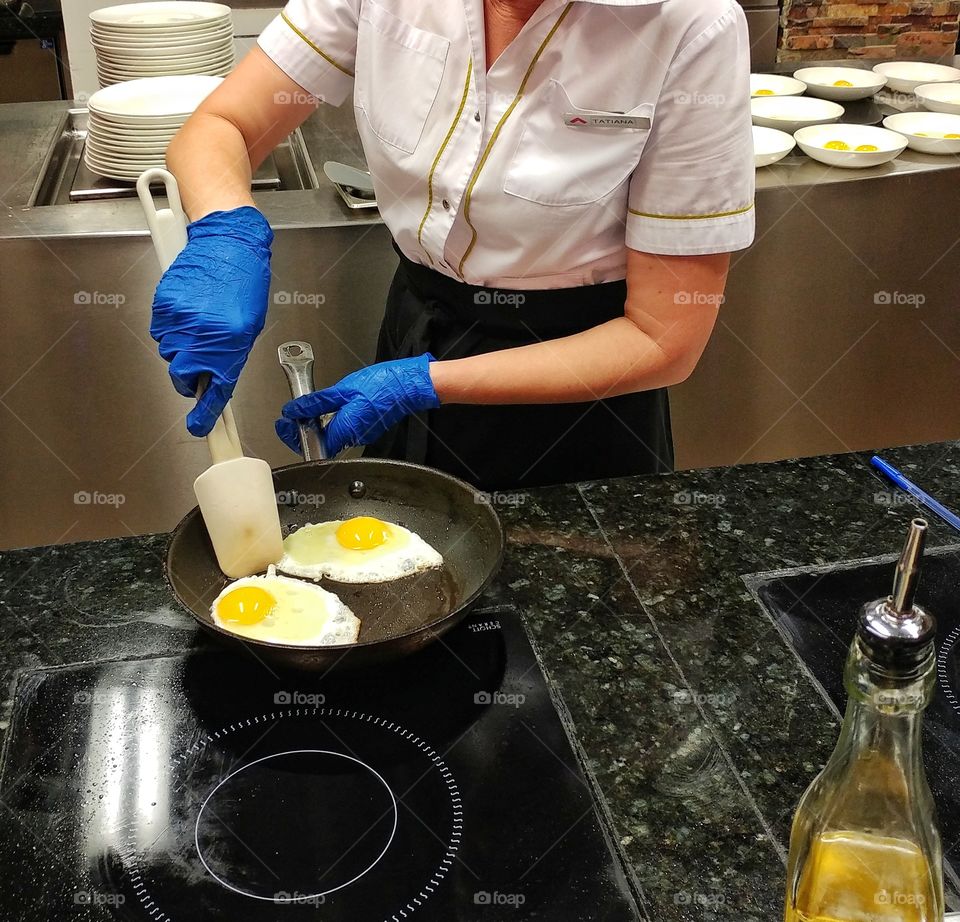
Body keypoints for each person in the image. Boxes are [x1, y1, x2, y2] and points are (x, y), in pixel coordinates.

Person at [151, 0, 755, 490]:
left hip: (580, 394)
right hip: (417, 326)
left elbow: (663, 337)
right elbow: (225, 125)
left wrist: (428, 384)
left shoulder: (690, 22)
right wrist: (225, 232)